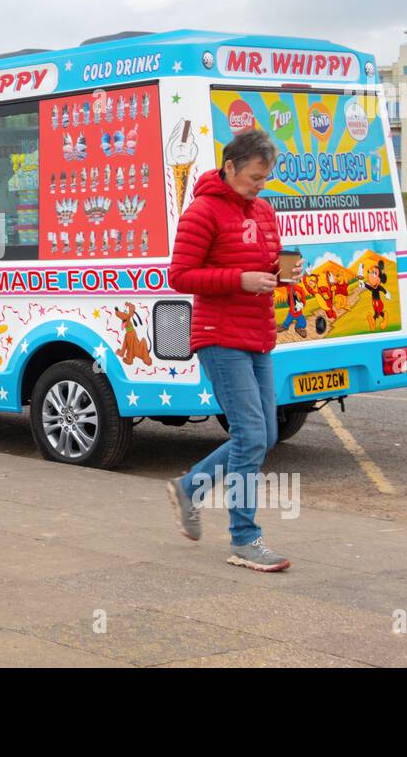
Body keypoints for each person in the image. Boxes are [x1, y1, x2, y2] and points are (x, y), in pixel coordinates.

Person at [165, 127, 298, 572]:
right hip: (219, 336)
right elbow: (180, 275)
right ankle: (245, 539)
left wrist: (283, 273)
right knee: (251, 436)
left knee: (266, 435)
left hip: (257, 333)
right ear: (230, 167)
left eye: (265, 177)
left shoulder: (263, 211)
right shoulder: (202, 211)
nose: (260, 185)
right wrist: (238, 280)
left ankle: (189, 488)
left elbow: (265, 263)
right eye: (254, 176)